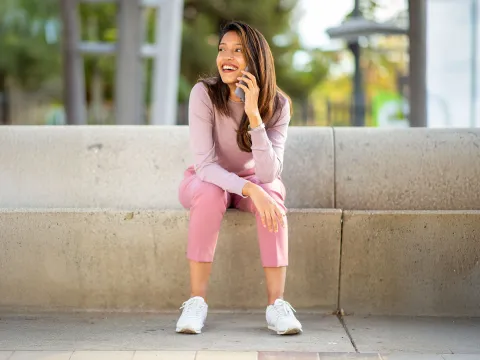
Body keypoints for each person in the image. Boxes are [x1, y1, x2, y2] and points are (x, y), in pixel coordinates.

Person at [176, 20, 302, 336]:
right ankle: (196, 302)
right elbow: (205, 166)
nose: (226, 57)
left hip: (253, 180)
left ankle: (277, 306)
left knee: (272, 194)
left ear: (256, 59)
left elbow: (270, 173)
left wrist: (255, 116)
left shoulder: (279, 105)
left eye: (238, 51)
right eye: (222, 49)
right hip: (207, 181)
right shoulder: (203, 94)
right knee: (210, 192)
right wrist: (249, 189)